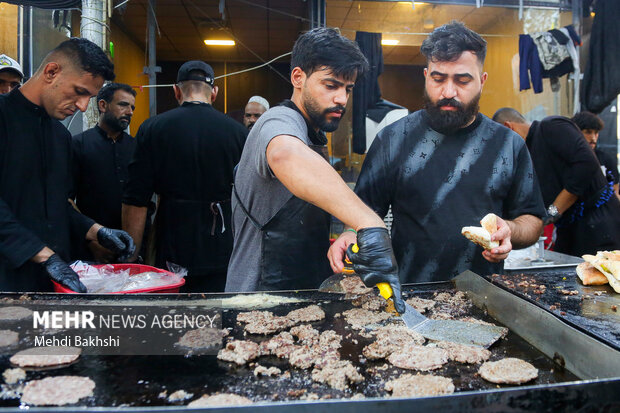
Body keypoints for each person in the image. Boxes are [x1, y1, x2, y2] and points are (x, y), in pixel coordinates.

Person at [328, 22, 545, 283]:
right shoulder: (394, 139)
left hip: (486, 296)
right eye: (438, 78)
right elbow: (362, 208)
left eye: (463, 80)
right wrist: (350, 232)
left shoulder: (508, 145)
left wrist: (509, 229)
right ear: (426, 75)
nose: (448, 92)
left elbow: (532, 220)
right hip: (409, 295)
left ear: (482, 81)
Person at [226, 27, 405, 313]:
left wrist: (348, 231)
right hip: (258, 300)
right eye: (330, 85)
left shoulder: (312, 132)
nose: (342, 99)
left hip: (299, 294)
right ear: (298, 78)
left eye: (347, 88)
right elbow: (285, 154)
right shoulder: (277, 121)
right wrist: (370, 225)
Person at [0, 38, 135, 293]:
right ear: (51, 72)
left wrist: (96, 230)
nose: (83, 107)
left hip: (55, 281)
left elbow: (56, 204)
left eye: (90, 97)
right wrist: (43, 255)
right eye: (80, 92)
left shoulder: (60, 135)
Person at [122, 60, 247, 292]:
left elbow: (136, 200)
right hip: (222, 242)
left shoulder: (152, 128)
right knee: (218, 317)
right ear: (215, 93)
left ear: (176, 91)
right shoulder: (239, 132)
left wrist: (132, 258)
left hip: (172, 239)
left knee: (175, 316)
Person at [493, 108, 620, 257]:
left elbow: (587, 164)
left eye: (502, 142)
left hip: (599, 224)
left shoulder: (551, 126)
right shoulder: (526, 155)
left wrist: (554, 211)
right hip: (568, 230)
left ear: (509, 127)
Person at [71, 83, 137, 262]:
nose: (130, 112)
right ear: (102, 105)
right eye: (123, 105)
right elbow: (66, 199)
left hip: (132, 250)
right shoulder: (78, 145)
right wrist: (93, 240)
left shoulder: (137, 148)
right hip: (91, 250)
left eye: (132, 107)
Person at [571, 111, 619, 200]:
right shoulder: (567, 158)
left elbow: (615, 192)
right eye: (588, 132)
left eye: (596, 133)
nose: (593, 138)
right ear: (576, 132)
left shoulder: (606, 159)